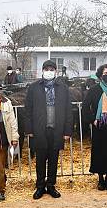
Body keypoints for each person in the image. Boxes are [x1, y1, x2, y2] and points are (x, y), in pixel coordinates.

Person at [24, 60, 72, 199]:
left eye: (51, 69)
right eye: (46, 69)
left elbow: (68, 110)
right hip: (39, 129)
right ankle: (40, 186)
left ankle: (51, 185)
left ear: (55, 72)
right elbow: (28, 110)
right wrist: (29, 129)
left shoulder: (63, 88)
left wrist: (67, 131)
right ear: (42, 71)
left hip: (56, 129)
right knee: (40, 160)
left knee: (53, 159)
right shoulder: (34, 87)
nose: (49, 71)